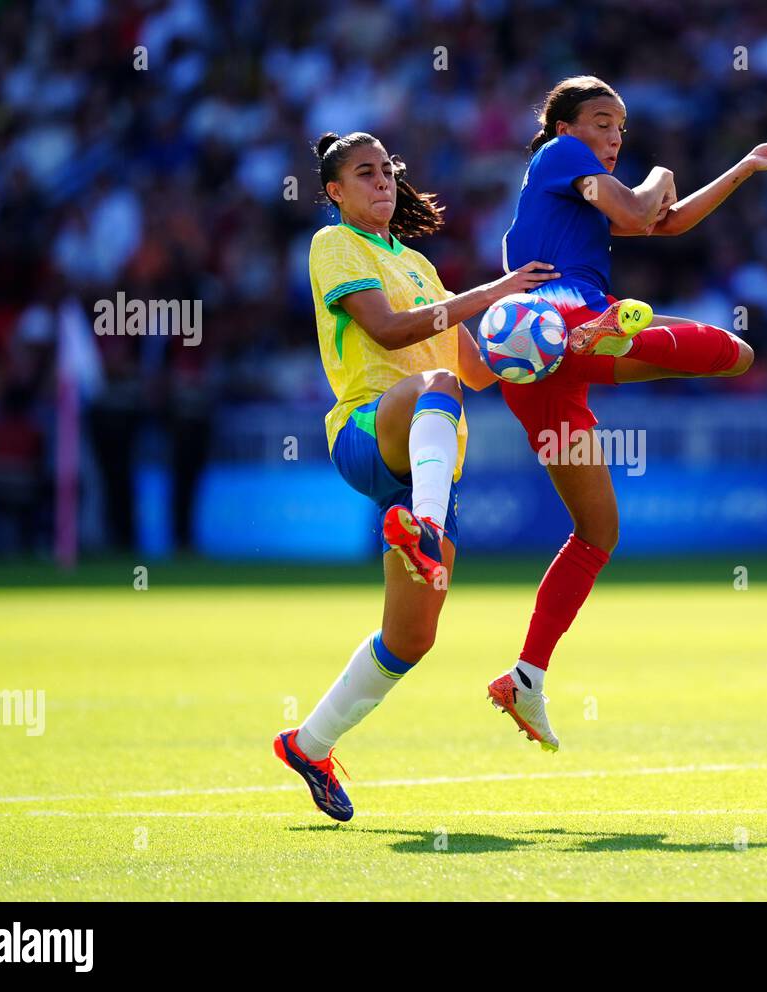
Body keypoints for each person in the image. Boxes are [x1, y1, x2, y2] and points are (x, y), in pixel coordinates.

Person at [487, 76, 767, 750]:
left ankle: (525, 677)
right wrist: (659, 169)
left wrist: (746, 166)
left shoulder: (578, 188)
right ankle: (597, 330)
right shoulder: (559, 155)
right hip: (556, 312)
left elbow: (668, 220)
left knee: (597, 533)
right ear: (565, 125)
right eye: (602, 122)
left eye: (621, 128)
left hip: (541, 377)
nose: (612, 137)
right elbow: (639, 213)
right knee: (736, 353)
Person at [274, 131, 558, 820]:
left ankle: (308, 744)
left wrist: (559, 338)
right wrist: (488, 291)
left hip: (428, 470)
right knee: (431, 381)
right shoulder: (334, 245)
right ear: (335, 191)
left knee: (410, 640)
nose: (382, 183)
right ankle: (424, 529)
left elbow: (482, 369)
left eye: (388, 172)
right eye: (363, 174)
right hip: (369, 431)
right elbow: (393, 332)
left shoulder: (422, 266)